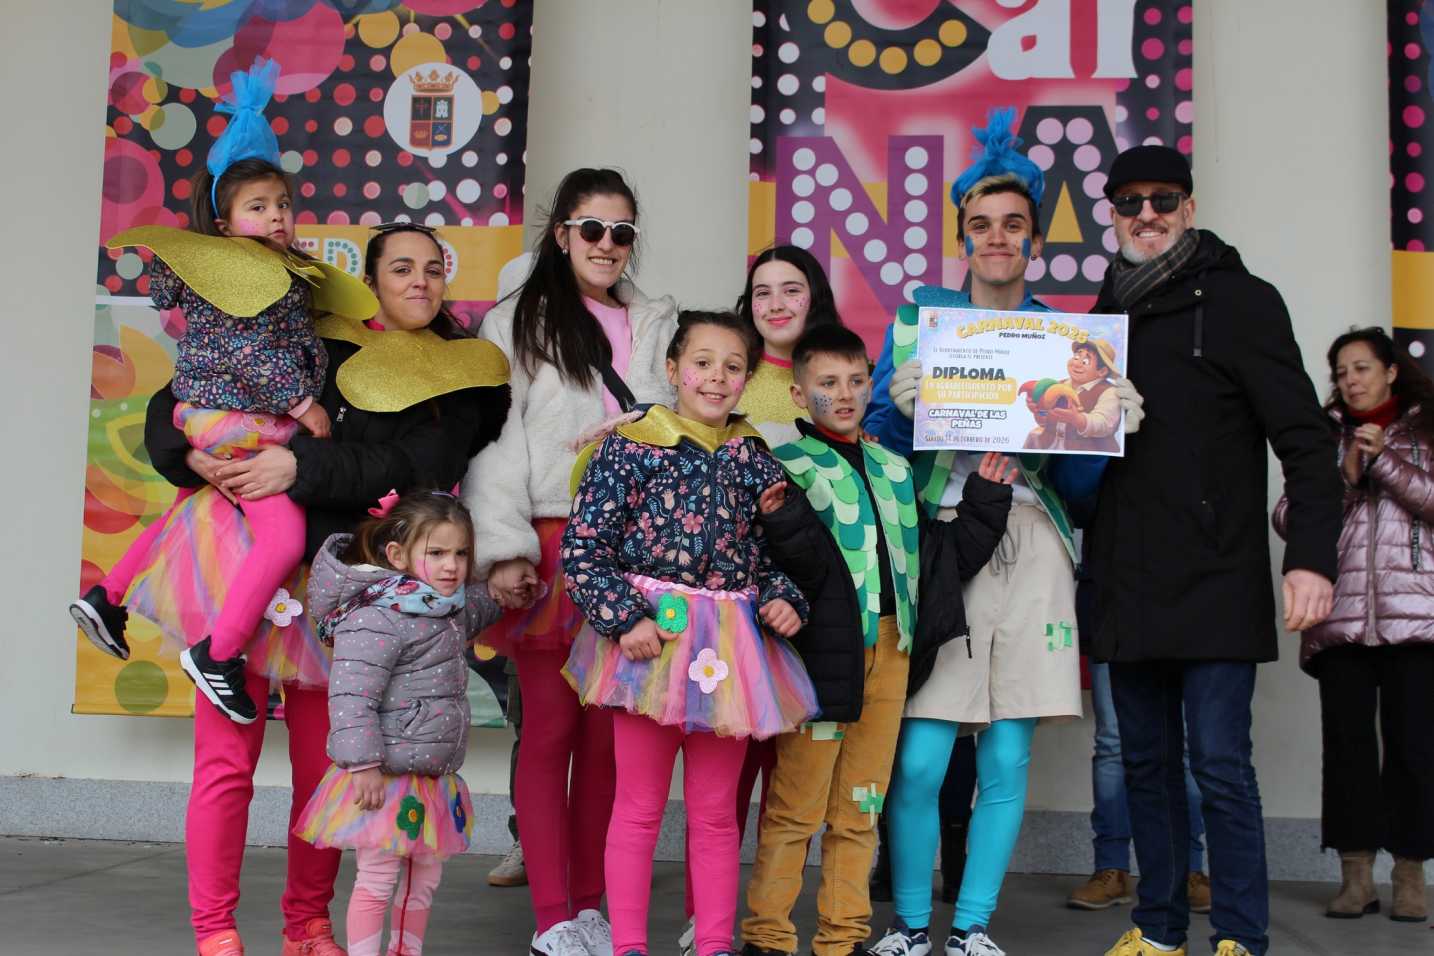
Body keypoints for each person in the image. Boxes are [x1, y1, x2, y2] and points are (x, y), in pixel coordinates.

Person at [129, 219, 510, 956]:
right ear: (371, 280)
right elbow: (185, 388)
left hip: (346, 596)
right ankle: (214, 928)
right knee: (224, 764)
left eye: (433, 269)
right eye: (401, 268)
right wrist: (190, 454)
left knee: (326, 769)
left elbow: (413, 467)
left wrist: (296, 467)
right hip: (248, 570)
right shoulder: (319, 337)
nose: (419, 282)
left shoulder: (457, 379)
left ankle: (307, 923)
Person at [865, 108, 1129, 956]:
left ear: (1035, 238)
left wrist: (1108, 428)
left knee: (1008, 759)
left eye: (1013, 224)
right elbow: (876, 451)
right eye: (981, 224)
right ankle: (911, 924)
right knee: (919, 761)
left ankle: (973, 927)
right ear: (962, 236)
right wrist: (897, 411)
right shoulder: (919, 323)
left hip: (1035, 541)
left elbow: (1077, 490)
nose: (997, 237)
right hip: (944, 540)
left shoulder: (1069, 338)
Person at [1090, 145, 1341, 956]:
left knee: (1222, 767)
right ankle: (1158, 930)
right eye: (1131, 202)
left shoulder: (1243, 302)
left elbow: (1307, 442)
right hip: (1126, 578)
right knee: (1145, 766)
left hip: (1216, 576)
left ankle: (1240, 936)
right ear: (1112, 216)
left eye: (1164, 199)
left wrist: (1312, 558)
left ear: (1190, 208)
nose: (1148, 215)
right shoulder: (1098, 318)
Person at [69, 58, 358, 725]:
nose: (277, 216)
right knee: (283, 539)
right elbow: (249, 355)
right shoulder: (249, 276)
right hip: (240, 419)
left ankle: (107, 596)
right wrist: (305, 405)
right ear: (224, 225)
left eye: (282, 204)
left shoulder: (234, 268)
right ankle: (219, 653)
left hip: (204, 415)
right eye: (258, 207)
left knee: (186, 508)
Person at [739, 324, 1014, 956]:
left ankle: (842, 938)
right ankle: (768, 937)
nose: (844, 394)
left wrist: (985, 499)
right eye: (828, 382)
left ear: (872, 386)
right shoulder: (786, 466)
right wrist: (783, 521)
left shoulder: (893, 468)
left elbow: (938, 561)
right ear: (798, 391)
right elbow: (788, 567)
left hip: (892, 653)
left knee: (862, 805)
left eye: (856, 381)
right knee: (796, 807)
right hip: (819, 660)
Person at [466, 168, 679, 956]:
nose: (607, 244)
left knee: (605, 742)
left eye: (622, 231)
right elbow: (495, 439)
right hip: (551, 543)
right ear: (561, 235)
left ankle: (591, 908)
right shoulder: (513, 323)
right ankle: (553, 914)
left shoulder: (657, 321)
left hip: (634, 549)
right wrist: (504, 545)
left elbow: (680, 423)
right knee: (550, 731)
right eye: (592, 228)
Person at [561, 310, 819, 956]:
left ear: (747, 379)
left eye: (733, 367)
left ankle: (712, 945)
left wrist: (783, 598)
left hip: (727, 652)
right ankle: (628, 946)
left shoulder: (754, 459)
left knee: (714, 813)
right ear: (673, 369)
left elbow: (775, 555)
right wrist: (625, 619)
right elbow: (585, 548)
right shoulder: (630, 446)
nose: (716, 377)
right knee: (639, 806)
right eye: (702, 363)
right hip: (650, 646)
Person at [672, 246, 847, 956]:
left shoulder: (829, 379)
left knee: (794, 775)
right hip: (737, 603)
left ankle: (771, 921)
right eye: (763, 291)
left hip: (813, 596)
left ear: (816, 297)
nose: (777, 303)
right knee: (727, 771)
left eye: (792, 289)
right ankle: (705, 916)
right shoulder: (729, 382)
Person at [1273, 327, 1433, 924]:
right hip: (1339, 618)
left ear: (1390, 371)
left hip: (1416, 617)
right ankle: (1356, 876)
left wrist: (1385, 461)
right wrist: (1342, 475)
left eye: (1361, 368)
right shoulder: (1322, 435)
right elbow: (1287, 517)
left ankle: (1411, 875)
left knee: (1415, 748)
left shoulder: (1426, 429)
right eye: (1341, 373)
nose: (1350, 381)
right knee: (1347, 749)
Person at [295, 492, 501, 955]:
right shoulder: (377, 617)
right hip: (384, 776)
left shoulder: (447, 607)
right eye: (437, 553)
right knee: (378, 877)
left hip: (429, 776)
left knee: (423, 880)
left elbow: (480, 606)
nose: (451, 566)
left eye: (461, 553)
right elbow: (351, 697)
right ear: (397, 555)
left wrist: (509, 588)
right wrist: (362, 764)